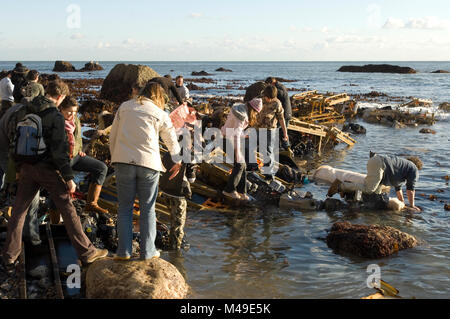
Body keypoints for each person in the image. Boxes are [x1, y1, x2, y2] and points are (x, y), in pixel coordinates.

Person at [1, 79, 108, 269]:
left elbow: (14, 138)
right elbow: (59, 151)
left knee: (19, 210)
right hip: (46, 168)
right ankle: (87, 252)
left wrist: (18, 168)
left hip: (26, 166)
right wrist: (69, 178)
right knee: (68, 208)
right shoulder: (54, 115)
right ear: (60, 97)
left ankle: (10, 255)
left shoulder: (26, 109)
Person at [109, 82, 182, 260]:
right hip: (148, 163)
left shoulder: (124, 107)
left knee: (124, 208)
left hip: (123, 161)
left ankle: (123, 252)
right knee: (148, 208)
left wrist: (115, 157)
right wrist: (177, 160)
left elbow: (113, 135)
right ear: (158, 96)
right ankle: (147, 252)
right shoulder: (159, 113)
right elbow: (171, 139)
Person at [47, 96, 109, 224]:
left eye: (75, 111)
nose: (72, 114)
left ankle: (91, 203)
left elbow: (78, 137)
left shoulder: (75, 119)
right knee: (59, 191)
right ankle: (55, 222)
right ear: (61, 109)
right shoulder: (55, 122)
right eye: (69, 111)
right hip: (60, 161)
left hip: (75, 157)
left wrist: (80, 148)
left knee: (102, 168)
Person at [0, 103, 41, 246]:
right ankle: (30, 238)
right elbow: (17, 146)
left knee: (14, 195)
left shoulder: (14, 110)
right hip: (10, 157)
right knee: (26, 197)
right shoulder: (22, 116)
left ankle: (20, 235)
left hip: (6, 154)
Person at [327, 153, 423, 212]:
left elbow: (399, 190)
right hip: (379, 164)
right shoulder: (414, 169)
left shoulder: (403, 169)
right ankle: (340, 186)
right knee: (369, 189)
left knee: (375, 195)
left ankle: (351, 194)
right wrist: (412, 205)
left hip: (376, 161)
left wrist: (403, 204)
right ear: (417, 167)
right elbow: (410, 190)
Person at [221, 98, 263, 200]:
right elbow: (235, 135)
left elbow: (233, 128)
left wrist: (243, 135)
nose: (256, 115)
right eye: (256, 113)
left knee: (243, 165)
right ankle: (229, 190)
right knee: (240, 164)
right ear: (253, 110)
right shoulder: (241, 116)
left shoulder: (240, 109)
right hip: (226, 139)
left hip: (227, 136)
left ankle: (242, 192)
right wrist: (238, 152)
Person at [159, 151, 195, 250]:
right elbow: (192, 179)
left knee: (172, 219)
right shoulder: (188, 156)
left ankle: (172, 243)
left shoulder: (167, 153)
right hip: (178, 194)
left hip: (165, 190)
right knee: (178, 224)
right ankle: (175, 251)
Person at [257, 85, 290, 180]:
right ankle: (253, 167)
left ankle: (269, 174)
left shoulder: (277, 103)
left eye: (270, 98)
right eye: (267, 97)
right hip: (257, 128)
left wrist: (285, 133)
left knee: (268, 151)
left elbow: (281, 119)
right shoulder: (260, 99)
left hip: (270, 130)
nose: (268, 99)